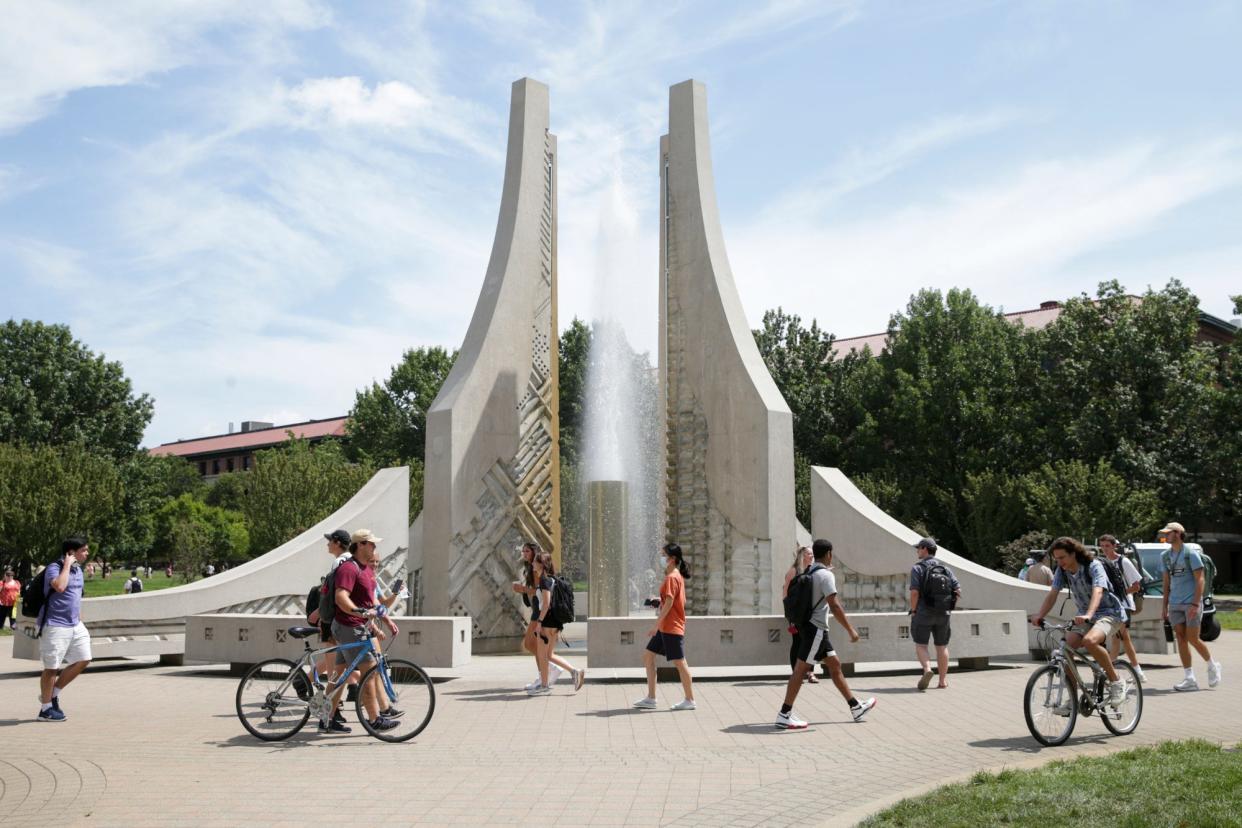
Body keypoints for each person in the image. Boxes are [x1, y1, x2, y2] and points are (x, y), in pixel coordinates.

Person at [775, 539, 876, 729]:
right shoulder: (825, 575)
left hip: (811, 627)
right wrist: (851, 630)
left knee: (835, 666)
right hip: (816, 629)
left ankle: (856, 707)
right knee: (800, 670)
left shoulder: (809, 571)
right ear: (829, 553)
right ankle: (784, 713)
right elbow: (835, 605)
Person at [1031, 537, 1128, 709]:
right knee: (1065, 651)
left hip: (1109, 613)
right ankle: (1073, 700)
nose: (1059, 562)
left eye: (1062, 558)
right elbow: (1053, 594)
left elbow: (1098, 591)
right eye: (1056, 558)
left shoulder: (1093, 566)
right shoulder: (1063, 570)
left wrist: (1090, 614)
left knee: (1090, 641)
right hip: (1084, 616)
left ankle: (1116, 682)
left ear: (1073, 554)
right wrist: (1039, 615)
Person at [329, 529, 399, 731]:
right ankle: (374, 719)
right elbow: (341, 597)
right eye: (372, 544)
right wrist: (358, 612)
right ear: (360, 545)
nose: (375, 547)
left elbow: (375, 601)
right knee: (370, 671)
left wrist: (385, 619)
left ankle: (327, 717)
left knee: (340, 675)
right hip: (349, 626)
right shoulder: (349, 569)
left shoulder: (366, 571)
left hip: (356, 626)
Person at [633, 543, 695, 711]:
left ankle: (690, 699)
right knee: (648, 656)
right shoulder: (676, 576)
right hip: (666, 627)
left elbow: (669, 604)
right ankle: (651, 698)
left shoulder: (671, 578)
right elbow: (671, 601)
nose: (661, 558)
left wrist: (656, 625)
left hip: (671, 627)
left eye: (663, 555)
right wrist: (658, 601)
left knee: (680, 663)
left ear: (672, 559)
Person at [1160, 522, 1222, 691]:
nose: (1165, 536)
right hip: (1175, 603)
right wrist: (1164, 606)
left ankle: (1212, 665)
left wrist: (1196, 603)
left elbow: (1200, 579)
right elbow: (1166, 583)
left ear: (1178, 533)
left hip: (1191, 603)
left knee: (1193, 638)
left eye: (1168, 533)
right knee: (1180, 637)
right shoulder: (1165, 556)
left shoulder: (1191, 554)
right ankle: (1190, 679)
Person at [37, 537, 93, 722]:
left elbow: (76, 597)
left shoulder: (79, 570)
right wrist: (67, 564)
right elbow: (60, 587)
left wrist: (79, 619)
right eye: (83, 550)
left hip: (75, 624)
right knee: (52, 667)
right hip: (55, 624)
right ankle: (45, 709)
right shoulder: (54, 567)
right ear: (71, 552)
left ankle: (53, 693)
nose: (87, 553)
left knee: (84, 658)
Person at [307, 528, 352, 733]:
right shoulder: (348, 561)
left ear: (337, 542)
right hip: (337, 623)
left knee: (335, 671)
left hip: (332, 623)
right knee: (336, 671)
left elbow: (332, 595)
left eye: (329, 541)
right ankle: (327, 715)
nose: (327, 544)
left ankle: (329, 713)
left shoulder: (340, 562)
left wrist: (318, 614)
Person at [514, 542, 575, 691]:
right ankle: (544, 675)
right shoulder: (532, 569)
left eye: (527, 551)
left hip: (541, 613)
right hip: (538, 610)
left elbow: (539, 592)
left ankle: (547, 671)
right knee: (534, 646)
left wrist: (522, 589)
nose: (524, 554)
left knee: (531, 645)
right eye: (523, 551)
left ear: (535, 554)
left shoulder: (538, 572)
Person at [908, 538, 961, 691]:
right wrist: (949, 607)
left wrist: (914, 610)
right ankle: (943, 681)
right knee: (942, 646)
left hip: (924, 612)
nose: (917, 550)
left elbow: (914, 593)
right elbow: (957, 591)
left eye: (918, 548)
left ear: (925, 549)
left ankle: (927, 669)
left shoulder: (917, 568)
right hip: (943, 613)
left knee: (921, 644)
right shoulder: (945, 568)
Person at [528, 552, 583, 695]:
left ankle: (544, 687)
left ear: (541, 564)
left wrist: (539, 622)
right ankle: (574, 671)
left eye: (535, 561)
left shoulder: (544, 580)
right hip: (555, 622)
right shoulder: (553, 580)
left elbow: (545, 604)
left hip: (546, 622)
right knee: (550, 655)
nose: (532, 563)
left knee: (542, 655)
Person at [1099, 535, 1146, 682]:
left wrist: (1120, 594)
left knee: (1122, 637)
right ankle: (1111, 669)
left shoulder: (1123, 561)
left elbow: (1136, 586)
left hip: (1124, 604)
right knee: (1117, 638)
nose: (1104, 549)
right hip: (1111, 605)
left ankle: (1137, 671)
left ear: (1114, 546)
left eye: (1107, 546)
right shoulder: (1102, 562)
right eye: (1102, 546)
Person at [783, 546, 818, 683]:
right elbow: (785, 593)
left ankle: (811, 673)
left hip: (810, 612)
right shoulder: (794, 571)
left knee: (812, 643)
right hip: (796, 613)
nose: (812, 556)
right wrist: (790, 614)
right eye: (809, 554)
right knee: (797, 642)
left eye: (812, 554)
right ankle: (796, 674)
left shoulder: (813, 570)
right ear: (802, 555)